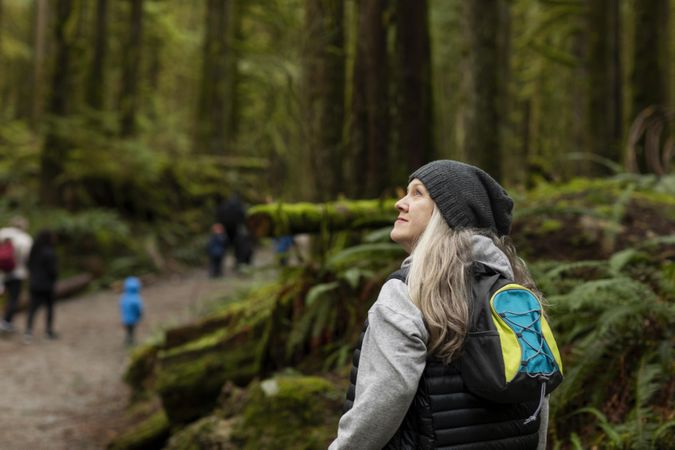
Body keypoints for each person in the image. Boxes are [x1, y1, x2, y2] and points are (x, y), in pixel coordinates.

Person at [330, 160, 549, 449]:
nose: (400, 203)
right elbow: (539, 398)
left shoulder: (407, 294)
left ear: (448, 215)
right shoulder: (516, 297)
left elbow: (384, 398)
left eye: (417, 193)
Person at [0, 217, 33, 333]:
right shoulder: (25, 239)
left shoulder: (3, 233)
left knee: (3, 297)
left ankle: (5, 321)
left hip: (2, 273)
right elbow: (27, 258)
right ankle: (6, 322)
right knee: (14, 299)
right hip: (17, 273)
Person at [25, 229, 58, 342]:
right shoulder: (49, 252)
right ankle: (48, 332)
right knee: (49, 308)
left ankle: (28, 332)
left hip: (34, 284)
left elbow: (28, 266)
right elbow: (52, 271)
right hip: (46, 285)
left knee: (32, 309)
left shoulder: (34, 251)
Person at [215, 192, 247, 272]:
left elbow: (218, 215)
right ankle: (238, 266)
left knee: (222, 249)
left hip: (224, 232)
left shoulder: (223, 206)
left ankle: (218, 269)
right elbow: (243, 218)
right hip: (236, 232)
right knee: (239, 250)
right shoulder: (239, 207)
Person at [119, 276, 144, 346]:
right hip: (133, 319)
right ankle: (131, 342)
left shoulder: (124, 297)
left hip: (125, 319)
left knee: (128, 331)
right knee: (132, 331)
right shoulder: (136, 298)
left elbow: (121, 306)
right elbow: (138, 309)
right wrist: (140, 315)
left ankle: (128, 341)